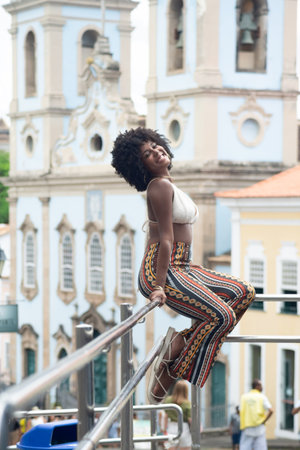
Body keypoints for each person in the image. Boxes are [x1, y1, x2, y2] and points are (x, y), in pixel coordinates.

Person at [111, 127, 256, 403]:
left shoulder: (169, 184)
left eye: (155, 145)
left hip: (182, 264)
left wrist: (191, 269)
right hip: (162, 270)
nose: (156, 151)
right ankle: (169, 370)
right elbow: (165, 240)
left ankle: (177, 344)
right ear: (139, 165)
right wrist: (158, 286)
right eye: (147, 153)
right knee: (221, 316)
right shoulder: (159, 187)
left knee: (244, 292)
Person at [240, 379, 273, 450]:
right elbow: (271, 410)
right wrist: (264, 420)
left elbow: (240, 411)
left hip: (247, 427)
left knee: (245, 447)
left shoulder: (244, 397)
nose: (262, 387)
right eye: (261, 385)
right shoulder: (262, 397)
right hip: (259, 427)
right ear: (257, 386)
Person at [163, 380, 191, 450]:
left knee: (171, 448)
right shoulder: (187, 403)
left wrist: (164, 430)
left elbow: (165, 416)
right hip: (184, 428)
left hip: (171, 427)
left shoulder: (168, 400)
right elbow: (190, 419)